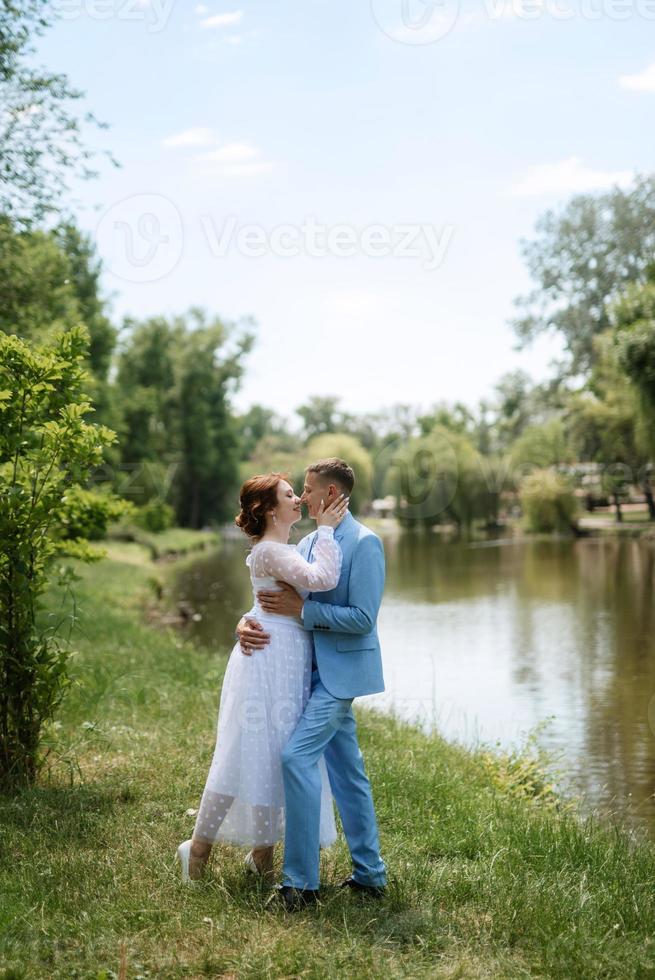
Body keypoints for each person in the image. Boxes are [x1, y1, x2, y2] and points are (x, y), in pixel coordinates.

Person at [176, 473, 349, 883]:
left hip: (287, 659)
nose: (298, 500)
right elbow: (323, 579)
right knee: (242, 752)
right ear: (270, 510)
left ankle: (261, 857)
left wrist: (247, 616)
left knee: (276, 756)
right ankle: (196, 851)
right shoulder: (271, 551)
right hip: (266, 660)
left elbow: (273, 597)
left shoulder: (283, 549)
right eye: (290, 496)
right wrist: (327, 529)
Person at [236, 457, 387, 911]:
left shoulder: (365, 543)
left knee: (295, 757)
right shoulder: (306, 545)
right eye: (297, 490)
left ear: (333, 495)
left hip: (338, 677)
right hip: (304, 672)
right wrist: (244, 624)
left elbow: (362, 620)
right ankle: (370, 875)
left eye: (308, 489)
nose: (301, 497)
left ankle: (300, 886)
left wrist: (304, 613)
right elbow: (271, 599)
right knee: (348, 774)